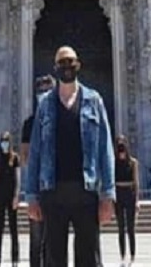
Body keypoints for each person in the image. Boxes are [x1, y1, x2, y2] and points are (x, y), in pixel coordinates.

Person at [25, 46, 115, 267]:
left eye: (70, 62)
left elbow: (105, 149)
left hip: (86, 191)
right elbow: (35, 151)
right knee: (53, 258)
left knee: (89, 257)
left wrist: (108, 194)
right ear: (55, 67)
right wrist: (31, 196)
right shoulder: (45, 104)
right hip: (53, 192)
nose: (67, 67)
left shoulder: (94, 101)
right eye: (62, 63)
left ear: (78, 65)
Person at [20, 75, 55, 267]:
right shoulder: (29, 123)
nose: (44, 94)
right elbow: (24, 157)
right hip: (37, 187)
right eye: (41, 90)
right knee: (36, 238)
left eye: (48, 90)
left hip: (58, 186)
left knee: (56, 238)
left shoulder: (61, 119)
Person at [0, 130, 21, 267]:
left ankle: (15, 258)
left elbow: (18, 179)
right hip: (0, 197)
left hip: (11, 197)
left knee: (13, 229)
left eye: (6, 141)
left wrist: (16, 196)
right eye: (3, 141)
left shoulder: (15, 158)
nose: (4, 144)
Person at [113, 135, 139, 265]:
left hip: (129, 193)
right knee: (120, 227)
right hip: (118, 194)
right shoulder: (113, 162)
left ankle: (133, 254)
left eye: (123, 143)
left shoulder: (133, 162)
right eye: (119, 144)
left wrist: (138, 200)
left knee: (131, 227)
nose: (121, 146)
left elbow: (136, 182)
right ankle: (122, 255)